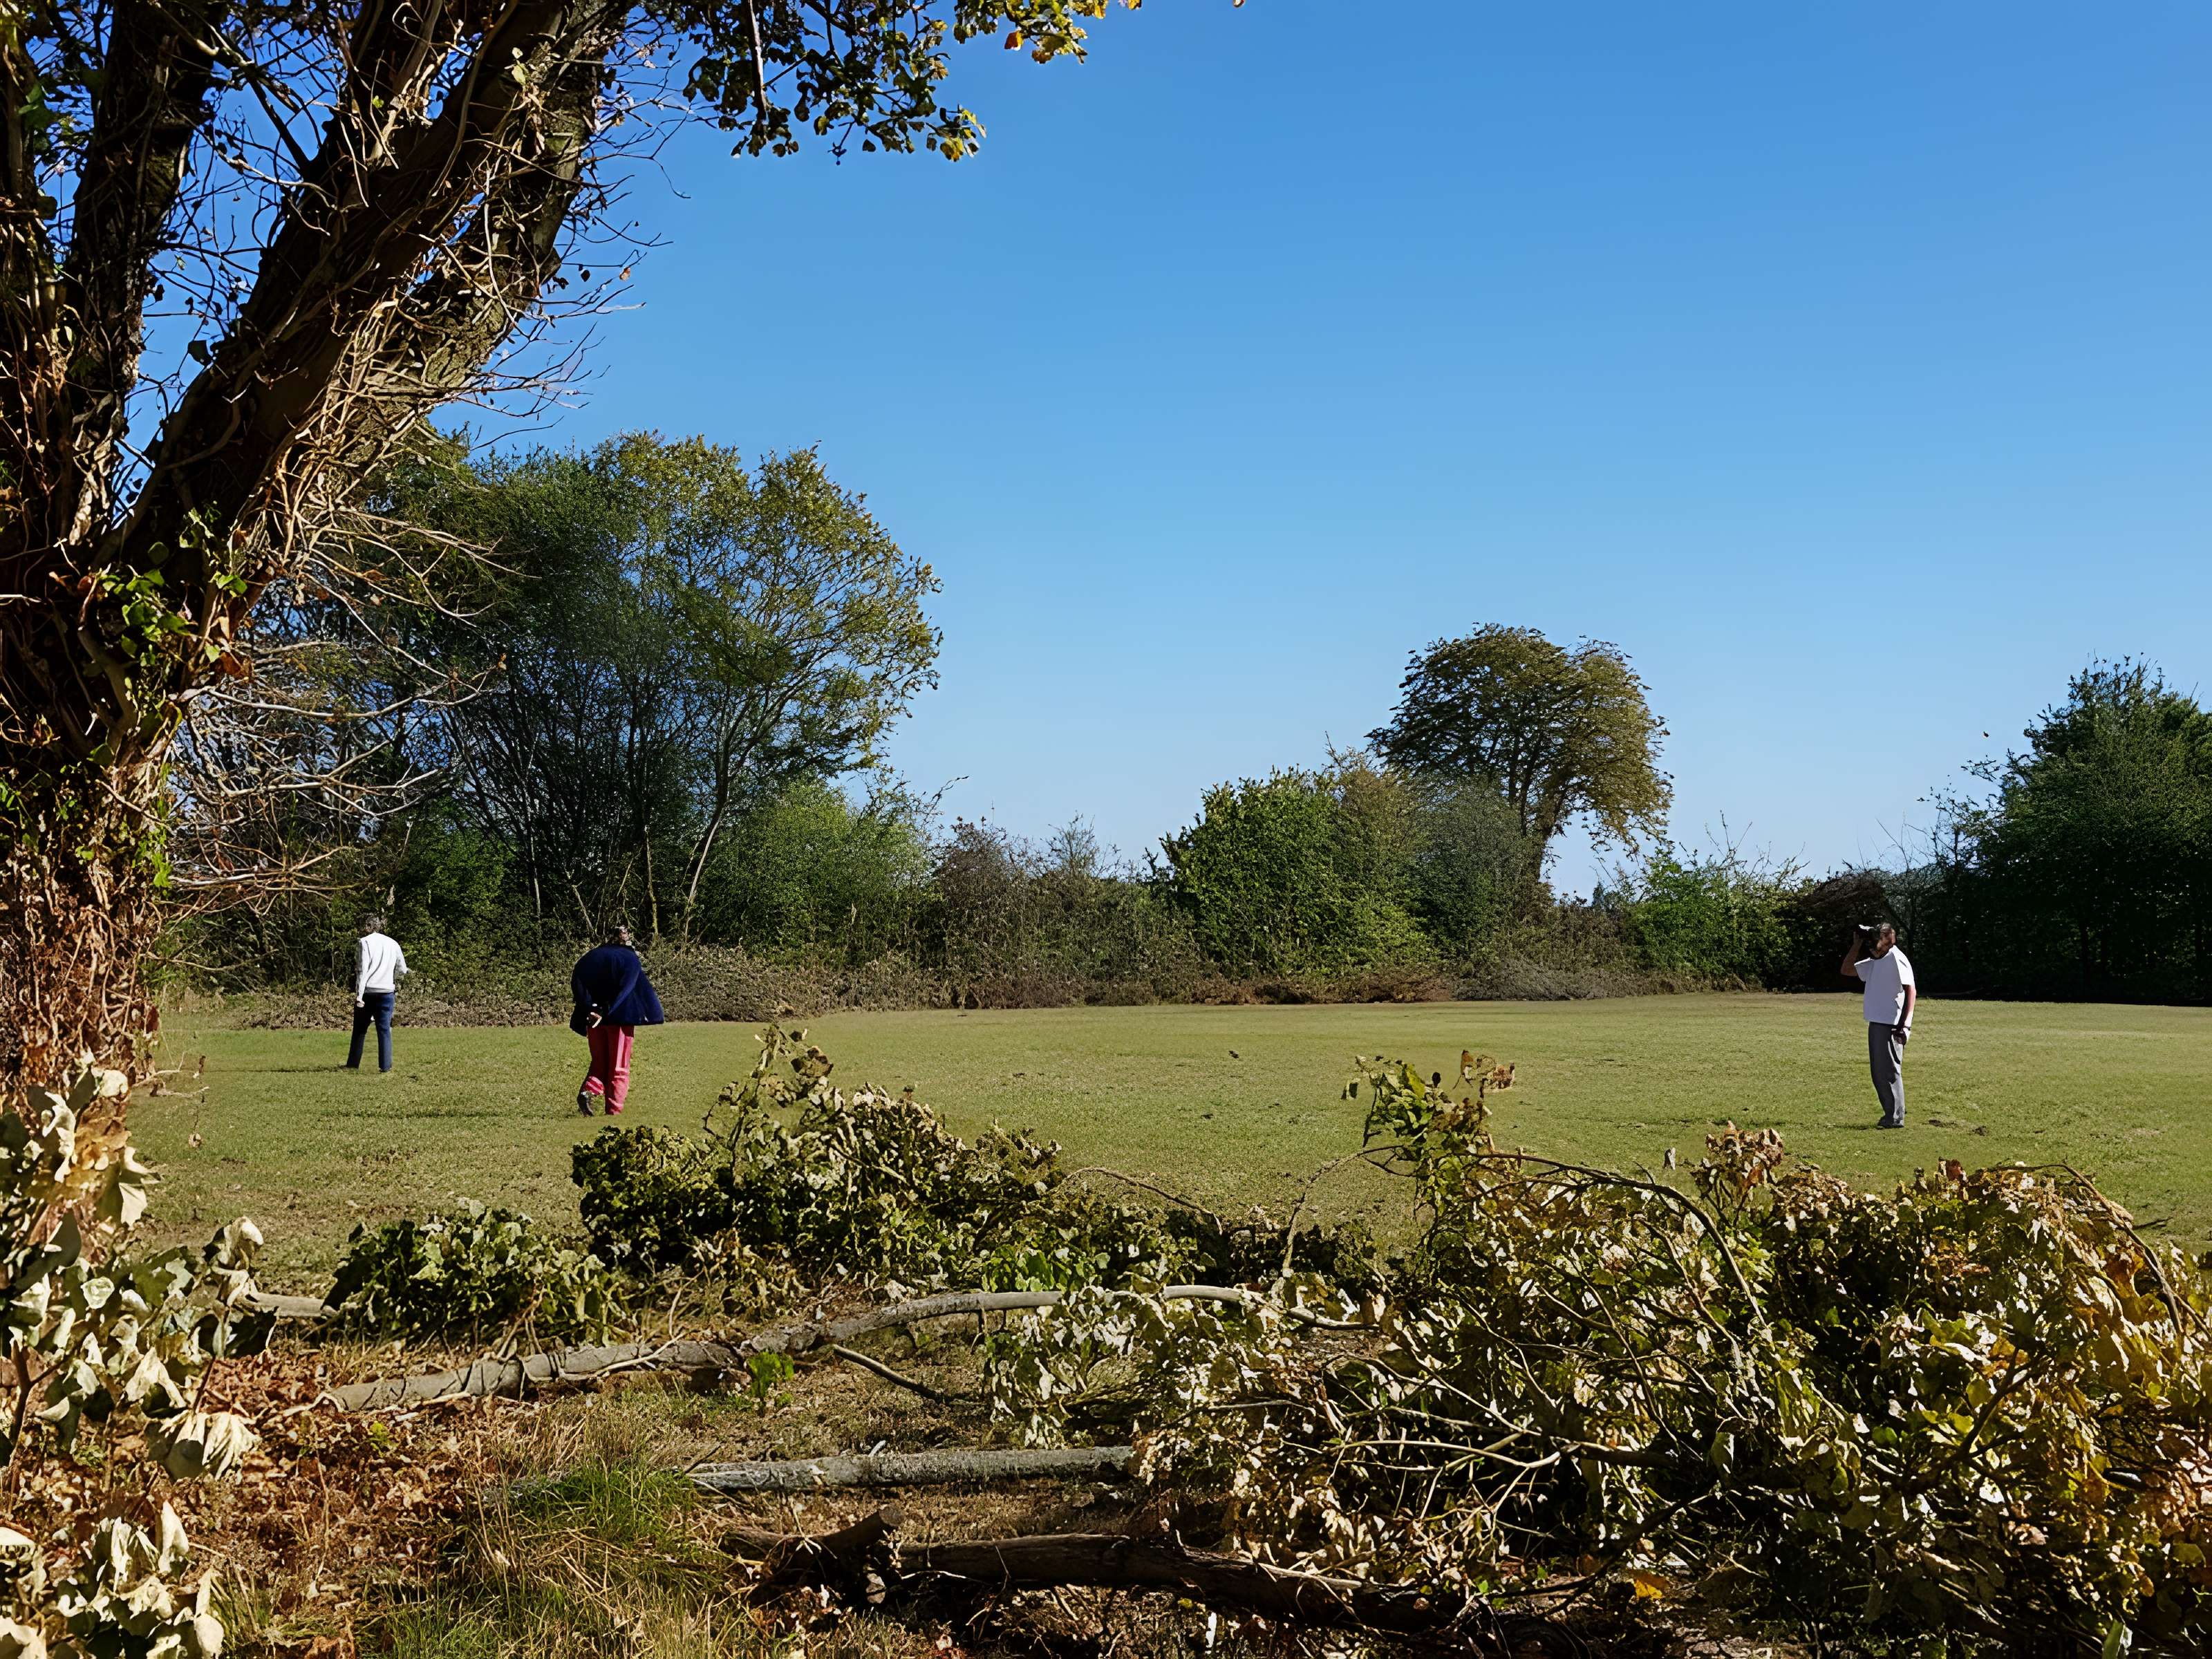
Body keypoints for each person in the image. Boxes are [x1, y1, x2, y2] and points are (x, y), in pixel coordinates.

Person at [570, 924, 664, 1115]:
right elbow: (626, 988)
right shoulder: (630, 959)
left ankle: (588, 1091)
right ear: (628, 938)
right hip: (619, 1019)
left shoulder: (591, 956)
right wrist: (606, 1010)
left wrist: (589, 1008)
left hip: (593, 1019)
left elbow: (577, 980)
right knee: (619, 1067)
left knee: (599, 1062)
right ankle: (614, 1111)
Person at [1841, 922, 1916, 1130]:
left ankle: (1896, 1118)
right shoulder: (1876, 961)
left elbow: (1911, 990)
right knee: (1879, 1072)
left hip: (1891, 1024)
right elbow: (1847, 970)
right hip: (1877, 1021)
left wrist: (1905, 1026)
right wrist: (1856, 945)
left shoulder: (1896, 957)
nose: (1873, 948)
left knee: (1890, 1072)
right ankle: (1890, 1116)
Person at [347, 914, 410, 1073]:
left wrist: (359, 996)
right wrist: (392, 978)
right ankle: (386, 1066)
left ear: (368, 926)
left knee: (360, 1030)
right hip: (387, 992)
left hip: (368, 992)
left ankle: (353, 1063)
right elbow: (403, 969)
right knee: (384, 1030)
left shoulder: (365, 942)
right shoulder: (393, 943)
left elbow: (363, 970)